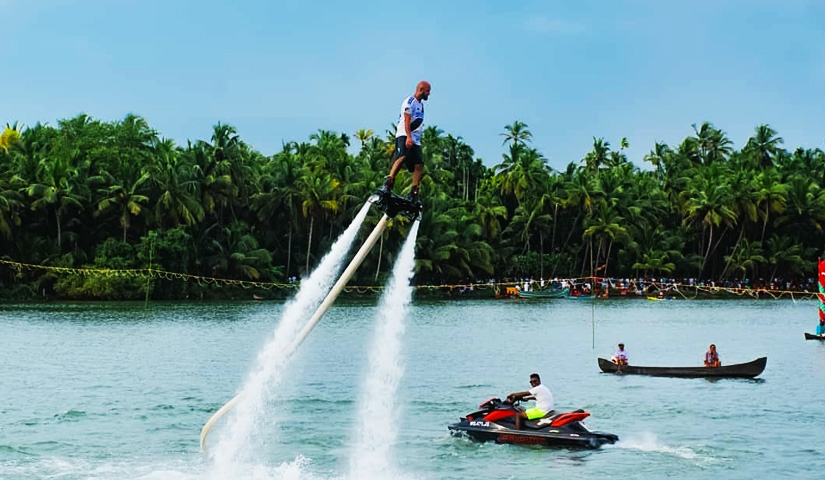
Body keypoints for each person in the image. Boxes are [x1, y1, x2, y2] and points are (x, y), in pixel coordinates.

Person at [380, 80, 431, 204]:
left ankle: (414, 190)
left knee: (419, 165)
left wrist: (415, 139)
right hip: (404, 134)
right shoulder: (409, 102)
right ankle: (389, 182)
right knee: (402, 156)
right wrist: (408, 137)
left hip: (416, 139)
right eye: (427, 91)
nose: (429, 94)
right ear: (421, 89)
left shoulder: (421, 105)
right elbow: (407, 120)